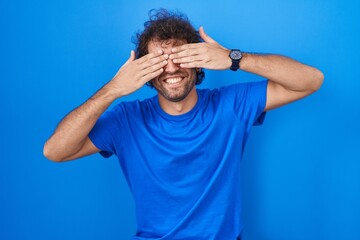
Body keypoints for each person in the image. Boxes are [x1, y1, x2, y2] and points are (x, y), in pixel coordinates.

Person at [43, 9, 323, 240]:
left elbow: (311, 80)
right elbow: (55, 151)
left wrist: (234, 58)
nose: (172, 69)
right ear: (145, 72)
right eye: (159, 61)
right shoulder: (126, 120)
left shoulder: (231, 105)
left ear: (199, 63)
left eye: (180, 58)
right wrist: (114, 89)